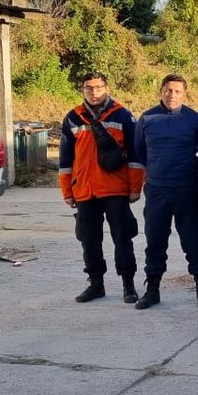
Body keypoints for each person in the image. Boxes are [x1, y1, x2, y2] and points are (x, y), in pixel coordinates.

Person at [58, 72, 145, 304]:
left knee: (123, 238)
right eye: (89, 88)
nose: (93, 92)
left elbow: (136, 156)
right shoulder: (72, 118)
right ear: (82, 90)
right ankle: (96, 284)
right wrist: (68, 191)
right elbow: (65, 160)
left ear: (106, 88)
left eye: (98, 88)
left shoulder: (123, 115)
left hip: (115, 190)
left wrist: (135, 187)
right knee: (89, 241)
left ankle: (129, 285)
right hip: (85, 191)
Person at [134, 74, 198, 311]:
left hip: (186, 190)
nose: (172, 95)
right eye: (168, 90)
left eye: (177, 91)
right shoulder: (147, 118)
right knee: (155, 240)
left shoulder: (195, 120)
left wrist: (189, 169)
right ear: (161, 91)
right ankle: (152, 289)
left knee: (194, 241)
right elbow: (139, 151)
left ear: (184, 94)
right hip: (157, 191)